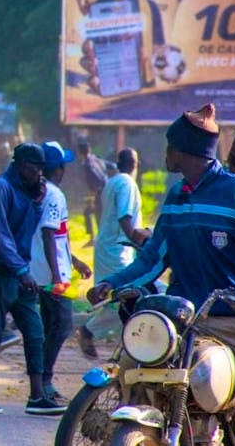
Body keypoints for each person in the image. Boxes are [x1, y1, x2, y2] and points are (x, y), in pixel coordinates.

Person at [88, 103, 235, 444]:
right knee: (131, 368)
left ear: (185, 151)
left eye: (170, 147)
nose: (166, 153)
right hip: (183, 321)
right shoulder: (175, 196)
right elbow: (152, 260)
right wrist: (111, 283)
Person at [0, 143, 66, 416]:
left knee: (35, 332)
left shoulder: (30, 191)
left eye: (42, 169)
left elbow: (30, 230)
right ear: (19, 164)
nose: (39, 173)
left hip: (20, 272)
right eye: (34, 167)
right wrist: (21, 270)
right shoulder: (0, 189)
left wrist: (38, 200)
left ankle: (37, 396)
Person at [30, 142, 92, 403]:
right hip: (51, 274)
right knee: (62, 326)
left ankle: (42, 379)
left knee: (50, 326)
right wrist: (57, 275)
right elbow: (47, 232)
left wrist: (75, 262)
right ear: (59, 169)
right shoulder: (54, 195)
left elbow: (58, 234)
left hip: (46, 270)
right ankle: (43, 379)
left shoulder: (43, 192)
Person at [77, 148, 142, 358]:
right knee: (127, 298)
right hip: (117, 250)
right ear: (136, 165)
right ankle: (90, 330)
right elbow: (125, 217)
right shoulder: (127, 183)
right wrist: (139, 241)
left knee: (120, 298)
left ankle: (129, 346)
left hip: (108, 247)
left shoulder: (112, 182)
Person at [93, 0, 166, 88]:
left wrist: (160, 62)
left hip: (145, 78)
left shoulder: (151, 6)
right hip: (115, 78)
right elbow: (95, 40)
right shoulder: (104, 3)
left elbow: (159, 44)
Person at [77, 140, 107, 246]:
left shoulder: (88, 164)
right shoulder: (96, 159)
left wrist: (92, 198)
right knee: (94, 214)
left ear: (80, 152)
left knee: (95, 214)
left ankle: (96, 239)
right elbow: (109, 166)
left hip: (99, 192)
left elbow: (94, 181)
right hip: (105, 190)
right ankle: (96, 238)